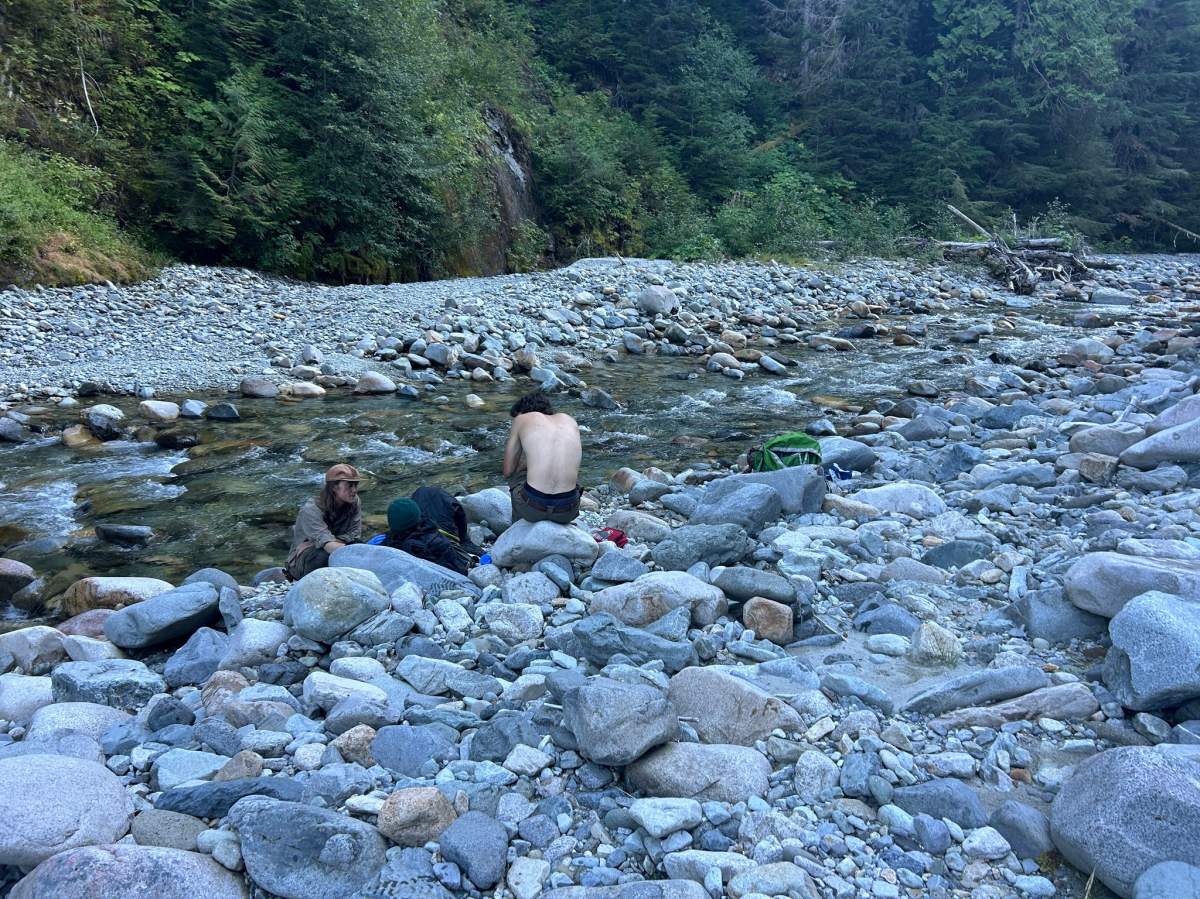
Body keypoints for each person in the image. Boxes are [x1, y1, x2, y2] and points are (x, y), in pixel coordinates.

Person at [503, 392, 582, 524]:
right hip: (567, 511)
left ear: (521, 411)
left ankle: (517, 526)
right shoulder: (569, 420)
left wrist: (523, 465)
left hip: (533, 509)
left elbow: (507, 471)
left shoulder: (521, 418)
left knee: (515, 474)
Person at [286, 463, 363, 580]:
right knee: (323, 556)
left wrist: (327, 542)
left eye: (356, 485)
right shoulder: (311, 510)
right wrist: (356, 554)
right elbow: (327, 545)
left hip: (332, 546)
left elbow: (354, 533)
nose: (354, 490)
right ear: (334, 487)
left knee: (359, 545)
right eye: (349, 485)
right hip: (302, 561)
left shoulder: (354, 501)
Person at [381, 487, 478, 575]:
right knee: (425, 492)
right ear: (419, 517)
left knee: (423, 493)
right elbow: (461, 569)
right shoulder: (436, 542)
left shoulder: (386, 545)